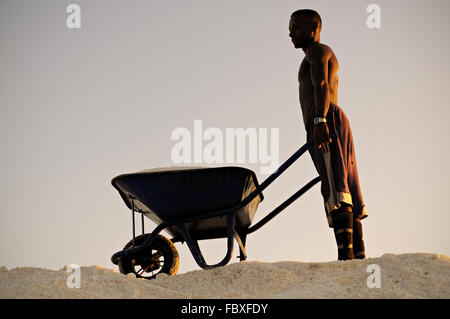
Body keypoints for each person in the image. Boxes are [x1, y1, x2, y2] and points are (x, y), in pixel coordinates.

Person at [289, 9, 368, 260]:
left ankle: (346, 258)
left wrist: (319, 120)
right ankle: (358, 256)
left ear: (313, 26)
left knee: (335, 185)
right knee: (343, 183)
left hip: (326, 120)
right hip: (330, 120)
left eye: (296, 27)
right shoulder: (315, 53)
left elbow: (321, 84)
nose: (290, 33)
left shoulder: (317, 51)